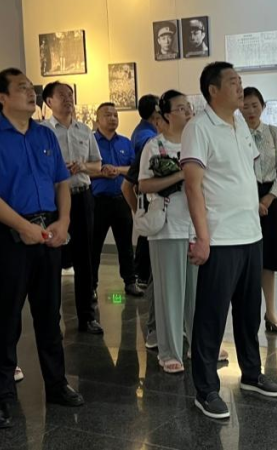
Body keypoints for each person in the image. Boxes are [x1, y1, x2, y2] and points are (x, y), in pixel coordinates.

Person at [0, 68, 84, 430]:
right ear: (1, 97)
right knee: (7, 319)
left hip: (48, 231)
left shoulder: (44, 134)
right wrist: (23, 227)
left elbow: (61, 182)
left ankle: (56, 383)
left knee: (50, 315)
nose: (31, 93)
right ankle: (3, 396)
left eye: (31, 88)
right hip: (9, 237)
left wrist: (63, 222)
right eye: (21, 88)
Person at [182, 62, 277, 420]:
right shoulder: (199, 128)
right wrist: (202, 237)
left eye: (241, 81)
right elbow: (192, 186)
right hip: (220, 237)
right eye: (232, 82)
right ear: (213, 90)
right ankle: (206, 390)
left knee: (248, 312)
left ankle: (252, 375)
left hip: (251, 234)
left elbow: (244, 174)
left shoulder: (240, 123)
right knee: (211, 316)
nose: (240, 87)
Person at [139, 90, 196, 373]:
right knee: (170, 294)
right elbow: (143, 185)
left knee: (197, 293)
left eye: (189, 107)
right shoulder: (154, 146)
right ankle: (169, 351)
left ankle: (199, 344)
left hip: (197, 226)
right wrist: (180, 175)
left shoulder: (197, 143)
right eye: (181, 108)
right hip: (167, 226)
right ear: (166, 115)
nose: (188, 112)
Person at [43, 81, 103, 333]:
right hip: (53, 200)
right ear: (49, 102)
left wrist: (83, 167)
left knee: (85, 258)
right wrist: (57, 171)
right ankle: (51, 321)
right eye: (62, 95)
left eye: (70, 94)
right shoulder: (42, 131)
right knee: (51, 259)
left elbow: (98, 165)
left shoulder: (84, 130)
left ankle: (87, 316)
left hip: (82, 197)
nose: (68, 98)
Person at [241, 87, 277, 334]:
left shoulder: (273, 132)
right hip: (243, 199)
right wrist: (253, 202)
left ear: (263, 105)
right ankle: (247, 312)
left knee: (268, 259)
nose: (251, 110)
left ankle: (271, 311)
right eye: (245, 106)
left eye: (255, 105)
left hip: (270, 198)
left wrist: (268, 199)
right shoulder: (236, 134)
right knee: (247, 258)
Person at [90, 102, 142, 297]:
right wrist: (102, 172)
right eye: (107, 115)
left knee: (125, 245)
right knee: (94, 247)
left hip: (121, 200)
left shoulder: (125, 142)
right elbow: (84, 170)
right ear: (97, 119)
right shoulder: (90, 142)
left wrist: (116, 170)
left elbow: (134, 169)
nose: (112, 118)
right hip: (97, 201)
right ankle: (91, 286)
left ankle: (130, 282)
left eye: (115, 115)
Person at [131, 94, 161, 289]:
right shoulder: (148, 139)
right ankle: (142, 276)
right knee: (148, 232)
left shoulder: (144, 131)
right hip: (149, 193)